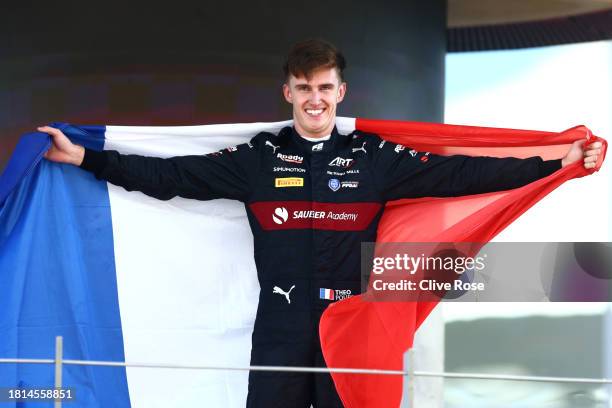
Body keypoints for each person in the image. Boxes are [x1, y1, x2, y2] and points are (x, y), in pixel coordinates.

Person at [38, 39, 602, 408]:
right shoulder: (256, 159)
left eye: (325, 88)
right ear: (288, 92)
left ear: (341, 93)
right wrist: (87, 158)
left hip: (348, 328)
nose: (315, 98)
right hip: (279, 328)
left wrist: (555, 162)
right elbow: (169, 176)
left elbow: (462, 173)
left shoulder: (376, 159)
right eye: (304, 88)